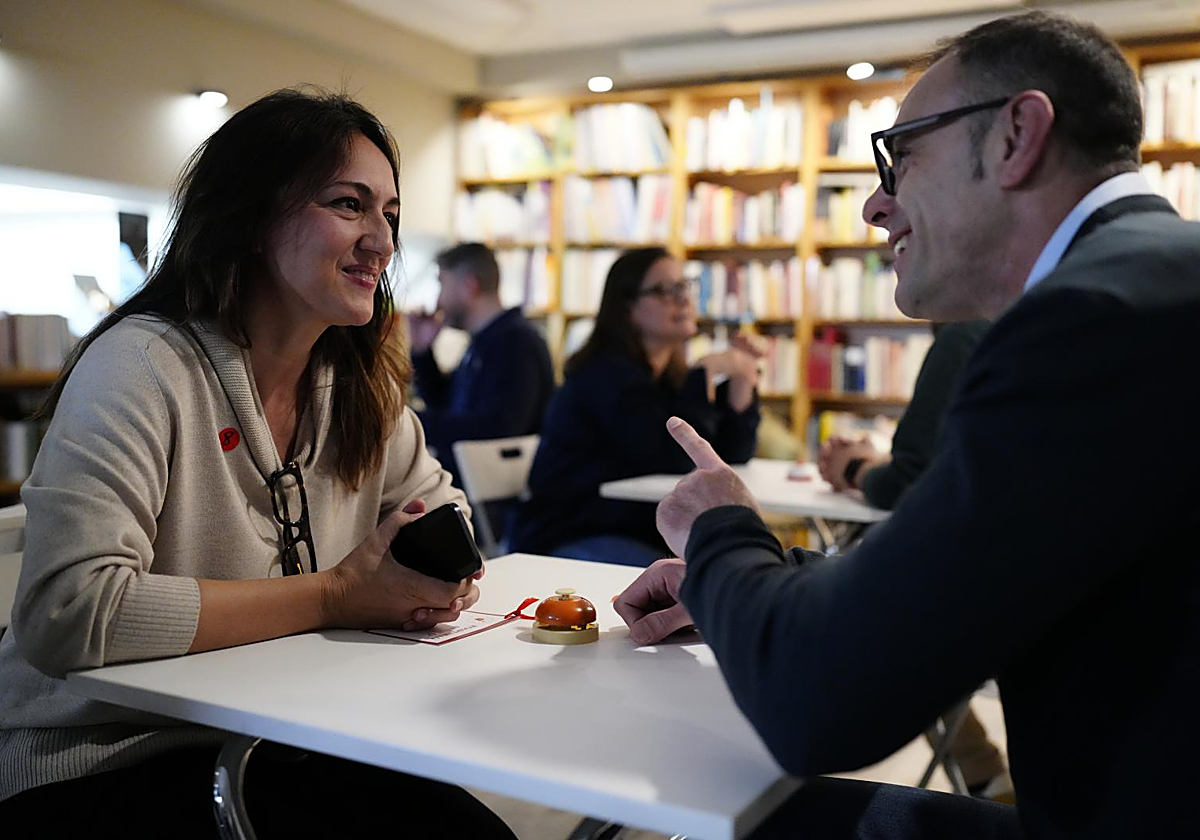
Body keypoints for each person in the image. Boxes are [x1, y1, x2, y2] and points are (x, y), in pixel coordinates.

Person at [615, 11, 1198, 839]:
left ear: (1016, 135)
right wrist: (749, 580)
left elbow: (820, 705)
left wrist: (718, 532)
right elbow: (972, 586)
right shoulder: (1152, 288)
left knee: (728, 817)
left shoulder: (1089, 320)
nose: (873, 206)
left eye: (900, 154)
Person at [0, 89, 515, 839]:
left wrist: (435, 567)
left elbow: (439, 511)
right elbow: (68, 611)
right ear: (250, 217)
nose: (383, 240)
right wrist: (338, 594)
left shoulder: (358, 386)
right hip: (105, 756)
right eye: (349, 204)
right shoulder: (142, 365)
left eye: (390, 214)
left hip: (284, 739)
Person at [820, 319, 1011, 802]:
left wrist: (856, 468)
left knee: (872, 611)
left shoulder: (964, 329)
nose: (886, 238)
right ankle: (984, 771)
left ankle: (985, 775)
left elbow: (905, 482)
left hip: (994, 585)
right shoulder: (1020, 313)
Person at [510, 247, 761, 566]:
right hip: (571, 537)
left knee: (734, 570)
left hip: (632, 532)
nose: (684, 300)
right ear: (628, 308)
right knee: (707, 579)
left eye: (684, 287)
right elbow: (673, 457)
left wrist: (743, 380)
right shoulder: (604, 375)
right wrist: (705, 372)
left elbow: (727, 456)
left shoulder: (664, 379)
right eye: (665, 291)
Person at [407, 242, 554, 485]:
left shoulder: (515, 342)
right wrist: (423, 352)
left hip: (500, 497)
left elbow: (497, 429)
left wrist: (411, 422)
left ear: (469, 286)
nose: (438, 300)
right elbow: (447, 405)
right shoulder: (486, 341)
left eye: (442, 284)